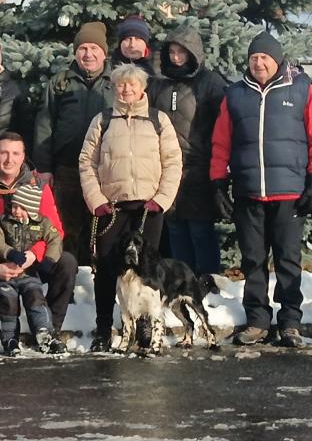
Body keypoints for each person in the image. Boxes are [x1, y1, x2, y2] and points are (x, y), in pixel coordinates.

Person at [210, 31, 312, 348]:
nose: (259, 63)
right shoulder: (236, 94)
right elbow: (221, 142)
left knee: (288, 260)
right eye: (254, 58)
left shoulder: (301, 89)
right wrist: (218, 182)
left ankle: (290, 322)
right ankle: (257, 320)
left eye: (264, 57)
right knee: (253, 260)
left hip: (289, 192)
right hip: (249, 192)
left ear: (277, 60)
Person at [78, 64, 183, 352]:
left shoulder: (158, 120)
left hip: (149, 208)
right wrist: (96, 200)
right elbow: (87, 162)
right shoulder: (103, 120)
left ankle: (145, 325)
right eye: (120, 85)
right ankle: (103, 327)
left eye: (131, 85)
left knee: (145, 269)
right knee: (107, 268)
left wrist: (162, 199)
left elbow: (173, 162)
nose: (126, 90)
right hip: (111, 208)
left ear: (142, 88)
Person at [0, 132, 78, 343]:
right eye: (3, 152)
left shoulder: (38, 184)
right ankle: (1, 314)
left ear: (23, 156)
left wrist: (34, 255)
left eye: (15, 153)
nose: (9, 159)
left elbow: (55, 231)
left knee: (67, 263)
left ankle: (50, 326)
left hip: (31, 258)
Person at [33, 22, 116, 265]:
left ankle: (97, 276)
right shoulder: (60, 83)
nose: (88, 54)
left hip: (104, 171)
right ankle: (67, 274)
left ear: (104, 52)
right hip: (67, 169)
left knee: (102, 228)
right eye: (82, 48)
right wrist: (44, 167)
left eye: (94, 48)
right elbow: (44, 124)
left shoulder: (116, 82)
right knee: (66, 227)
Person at [150, 26, 228, 274]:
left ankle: (207, 283)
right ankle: (182, 284)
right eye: (172, 52)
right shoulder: (158, 84)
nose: (175, 58)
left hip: (199, 169)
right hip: (167, 169)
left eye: (181, 52)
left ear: (193, 52)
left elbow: (223, 125)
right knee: (175, 230)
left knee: (200, 230)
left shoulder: (210, 83)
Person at [0, 184, 65, 355]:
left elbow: (55, 240)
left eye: (21, 208)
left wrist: (49, 259)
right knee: (8, 303)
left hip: (29, 274)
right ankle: (10, 339)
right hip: (8, 273)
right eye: (14, 206)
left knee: (36, 299)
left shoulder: (42, 223)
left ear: (31, 209)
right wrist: (9, 252)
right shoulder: (2, 221)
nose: (16, 211)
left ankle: (44, 333)